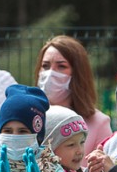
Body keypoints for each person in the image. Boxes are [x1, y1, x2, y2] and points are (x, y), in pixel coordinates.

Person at [34, 35, 112, 164]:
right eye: (45, 66)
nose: (50, 73)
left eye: (61, 66)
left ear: (78, 73)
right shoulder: (30, 117)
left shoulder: (99, 123)